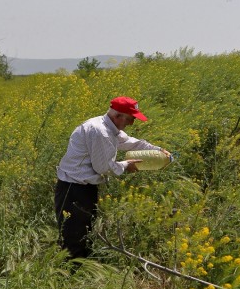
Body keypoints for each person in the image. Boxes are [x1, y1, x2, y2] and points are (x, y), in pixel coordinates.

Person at [55, 96, 170, 259]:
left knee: (83, 232)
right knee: (74, 238)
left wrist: (159, 151)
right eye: (130, 119)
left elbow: (131, 142)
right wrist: (126, 165)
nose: (131, 124)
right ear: (118, 116)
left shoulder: (108, 128)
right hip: (73, 190)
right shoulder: (100, 132)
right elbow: (103, 167)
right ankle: (69, 275)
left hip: (82, 188)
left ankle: (79, 272)